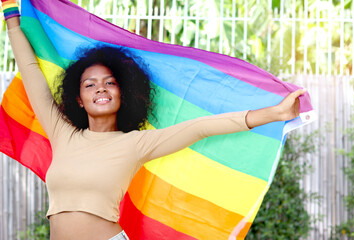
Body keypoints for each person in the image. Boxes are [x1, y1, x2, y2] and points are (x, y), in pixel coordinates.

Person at [2, 2, 306, 240]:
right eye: (90, 84)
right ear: (78, 98)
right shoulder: (61, 133)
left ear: (123, 93)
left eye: (110, 83)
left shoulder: (135, 143)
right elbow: (31, 72)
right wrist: (12, 19)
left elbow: (200, 128)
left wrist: (275, 114)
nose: (101, 90)